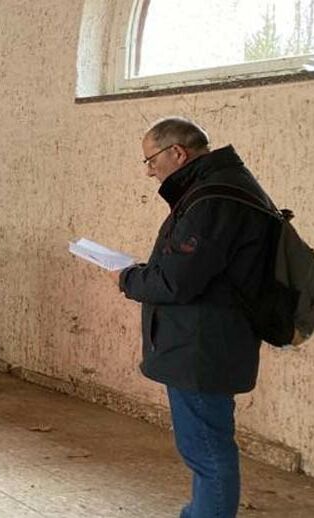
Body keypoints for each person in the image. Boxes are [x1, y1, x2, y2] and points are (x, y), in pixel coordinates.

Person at [117, 117, 275, 518]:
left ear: (177, 153)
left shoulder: (212, 199)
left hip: (203, 345)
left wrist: (129, 278)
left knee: (207, 449)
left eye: (151, 160)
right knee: (207, 444)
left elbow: (176, 281)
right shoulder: (220, 188)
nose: (150, 171)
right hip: (207, 339)